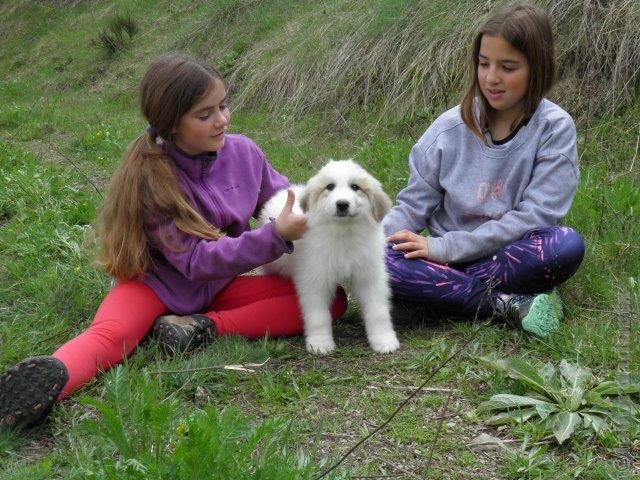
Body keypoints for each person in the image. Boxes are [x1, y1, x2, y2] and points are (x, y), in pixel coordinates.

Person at [0, 54, 347, 431]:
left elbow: (284, 199)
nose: (222, 120)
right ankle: (39, 388)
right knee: (111, 336)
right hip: (155, 286)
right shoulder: (153, 178)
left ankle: (199, 327)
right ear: (172, 125)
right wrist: (274, 237)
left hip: (221, 286)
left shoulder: (245, 153)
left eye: (223, 105)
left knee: (330, 299)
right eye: (205, 114)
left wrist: (323, 211)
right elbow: (197, 262)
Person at [383, 3, 585, 336]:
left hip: (503, 255)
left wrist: (445, 250)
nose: (491, 78)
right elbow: (412, 207)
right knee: (377, 256)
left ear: (538, 68)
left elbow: (535, 218)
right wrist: (369, 245)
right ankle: (507, 305)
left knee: (565, 245)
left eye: (508, 67)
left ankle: (434, 294)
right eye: (483, 63)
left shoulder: (555, 129)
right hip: (442, 257)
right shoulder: (447, 130)